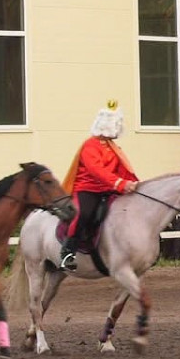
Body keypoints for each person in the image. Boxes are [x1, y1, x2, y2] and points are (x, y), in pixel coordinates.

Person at [58, 100, 140, 271]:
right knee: (83, 214)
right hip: (87, 189)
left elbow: (122, 170)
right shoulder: (90, 145)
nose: (118, 127)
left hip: (109, 189)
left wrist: (134, 184)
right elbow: (97, 170)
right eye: (116, 124)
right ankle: (68, 251)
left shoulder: (113, 147)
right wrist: (120, 183)